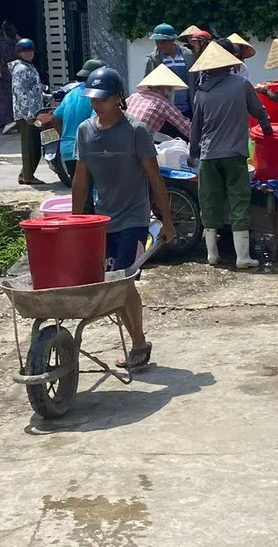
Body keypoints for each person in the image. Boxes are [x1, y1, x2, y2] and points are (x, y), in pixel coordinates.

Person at [71, 66, 176, 369]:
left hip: (133, 217)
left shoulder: (135, 131)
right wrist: (74, 222)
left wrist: (167, 221)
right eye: (93, 99)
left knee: (122, 280)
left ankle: (139, 342)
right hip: (102, 220)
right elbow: (80, 179)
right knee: (112, 283)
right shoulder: (85, 131)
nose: (97, 104)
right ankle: (137, 342)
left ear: (118, 97)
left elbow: (154, 178)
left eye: (103, 99)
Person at [188, 41, 273, 268]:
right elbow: (259, 111)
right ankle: (243, 258)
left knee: (209, 202)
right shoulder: (241, 85)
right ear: (228, 64)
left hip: (208, 156)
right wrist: (268, 130)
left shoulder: (201, 93)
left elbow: (196, 127)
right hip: (234, 155)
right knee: (239, 201)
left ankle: (212, 255)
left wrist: (192, 152)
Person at [36, 59, 106, 209]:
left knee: (81, 195)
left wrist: (65, 136)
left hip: (67, 149)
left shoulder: (71, 94)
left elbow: (55, 118)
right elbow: (97, 123)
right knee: (90, 198)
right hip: (86, 150)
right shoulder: (95, 95)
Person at [10, 38, 46, 185]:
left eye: (30, 50)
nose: (28, 53)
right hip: (28, 114)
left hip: (34, 111)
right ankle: (28, 176)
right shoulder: (21, 69)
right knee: (31, 147)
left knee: (35, 145)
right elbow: (20, 92)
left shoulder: (29, 67)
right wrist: (27, 114)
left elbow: (33, 90)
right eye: (24, 51)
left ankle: (24, 174)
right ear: (19, 53)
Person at [126, 64, 192, 141]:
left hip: (119, 136)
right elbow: (186, 128)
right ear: (167, 90)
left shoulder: (134, 96)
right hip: (138, 140)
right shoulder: (164, 104)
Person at [144, 23, 196, 119]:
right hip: (165, 112)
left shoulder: (188, 56)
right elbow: (148, 88)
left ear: (172, 40)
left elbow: (195, 81)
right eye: (157, 42)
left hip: (188, 109)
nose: (160, 45)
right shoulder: (153, 60)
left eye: (163, 42)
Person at [0, 23, 18, 131]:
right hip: (16, 72)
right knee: (15, 97)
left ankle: (4, 120)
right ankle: (16, 119)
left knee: (2, 98)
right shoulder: (17, 44)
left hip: (5, 73)